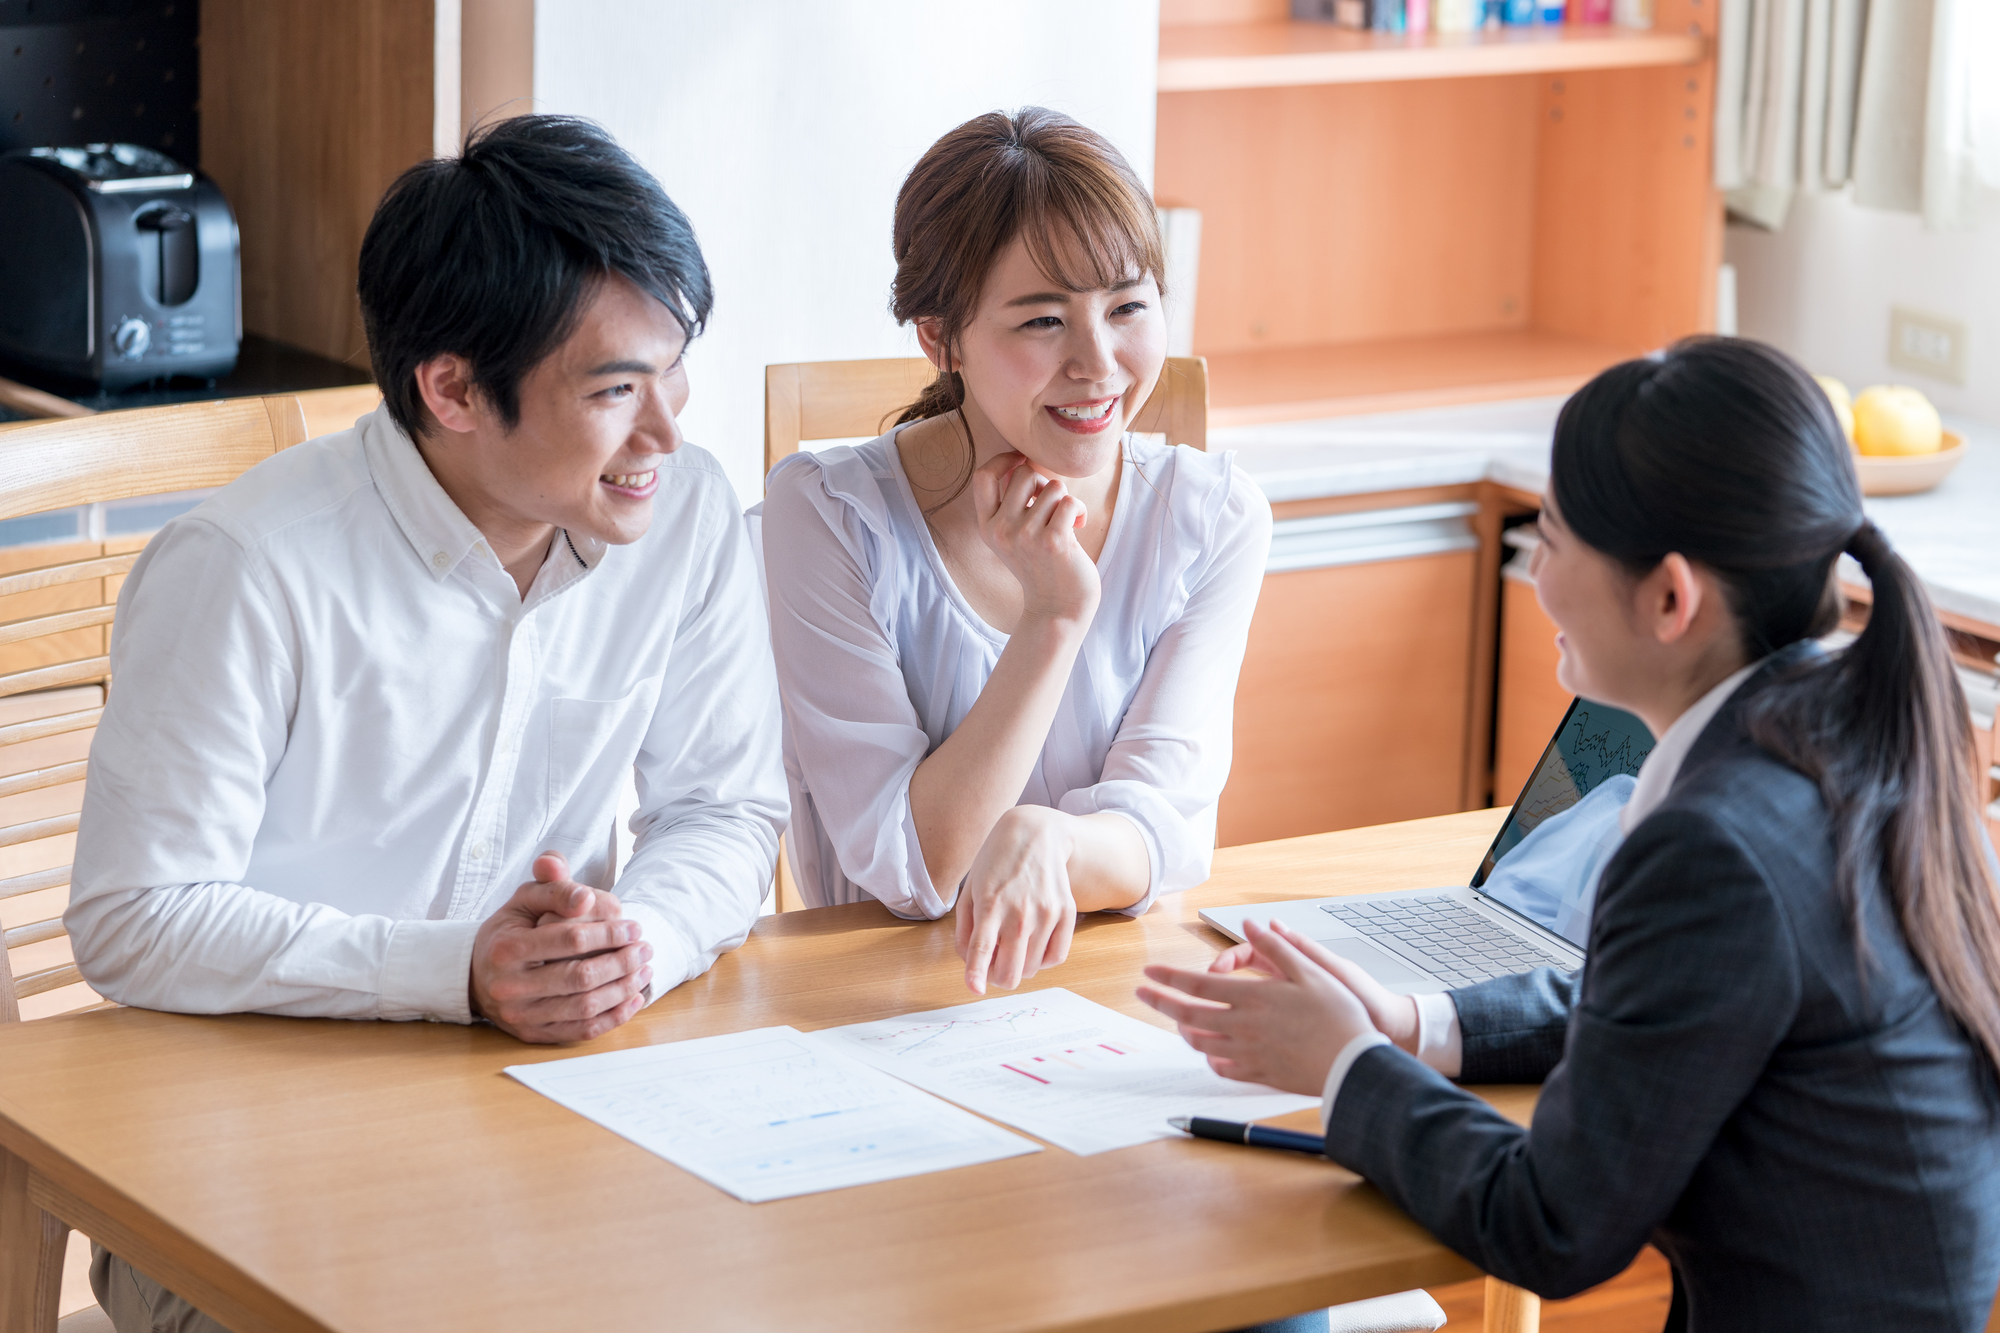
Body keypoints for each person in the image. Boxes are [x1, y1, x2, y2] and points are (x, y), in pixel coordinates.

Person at [68, 116, 787, 1331]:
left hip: (551, 1125)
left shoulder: (684, 513)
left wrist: (639, 944)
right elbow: (133, 919)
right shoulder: (249, 566)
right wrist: (456, 970)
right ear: (451, 388)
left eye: (672, 368)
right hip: (240, 1166)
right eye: (615, 390)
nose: (665, 430)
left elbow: (725, 809)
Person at [1138, 337, 2000, 1332]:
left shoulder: (1715, 843)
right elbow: (1663, 1006)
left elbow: (1551, 1221)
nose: (1535, 571)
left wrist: (1342, 1068)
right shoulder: (1848, 728)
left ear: (1670, 598)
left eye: (1549, 537)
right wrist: (1412, 1025)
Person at [761, 107, 1271, 997]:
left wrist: (1051, 839)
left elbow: (1158, 834)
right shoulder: (826, 514)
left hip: (1106, 985)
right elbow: (915, 871)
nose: (1099, 363)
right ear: (939, 338)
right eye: (1042, 321)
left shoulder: (1211, 516)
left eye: (1127, 306)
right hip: (874, 1002)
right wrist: (1054, 616)